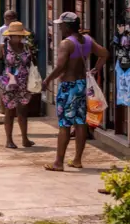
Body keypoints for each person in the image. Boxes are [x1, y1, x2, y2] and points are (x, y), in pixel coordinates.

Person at [42, 12, 109, 171]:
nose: (59, 28)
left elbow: (60, 67)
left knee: (64, 124)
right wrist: (96, 69)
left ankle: (58, 163)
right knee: (80, 122)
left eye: (61, 25)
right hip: (82, 85)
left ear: (66, 26)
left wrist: (48, 80)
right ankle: (77, 160)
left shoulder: (66, 44)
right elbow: (104, 54)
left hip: (68, 87)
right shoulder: (87, 40)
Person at [0, 21, 36, 150]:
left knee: (23, 110)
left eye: (21, 35)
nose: (19, 38)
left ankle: (25, 138)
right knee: (10, 111)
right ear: (10, 36)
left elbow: (32, 63)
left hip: (23, 83)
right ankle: (9, 140)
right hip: (7, 83)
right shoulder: (4, 47)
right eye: (17, 35)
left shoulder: (27, 47)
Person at [0, 9, 18, 101]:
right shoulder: (0, 30)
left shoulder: (19, 29)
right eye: (7, 18)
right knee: (1, 84)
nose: (8, 20)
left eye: (11, 18)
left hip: (16, 62)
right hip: (3, 60)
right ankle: (3, 108)